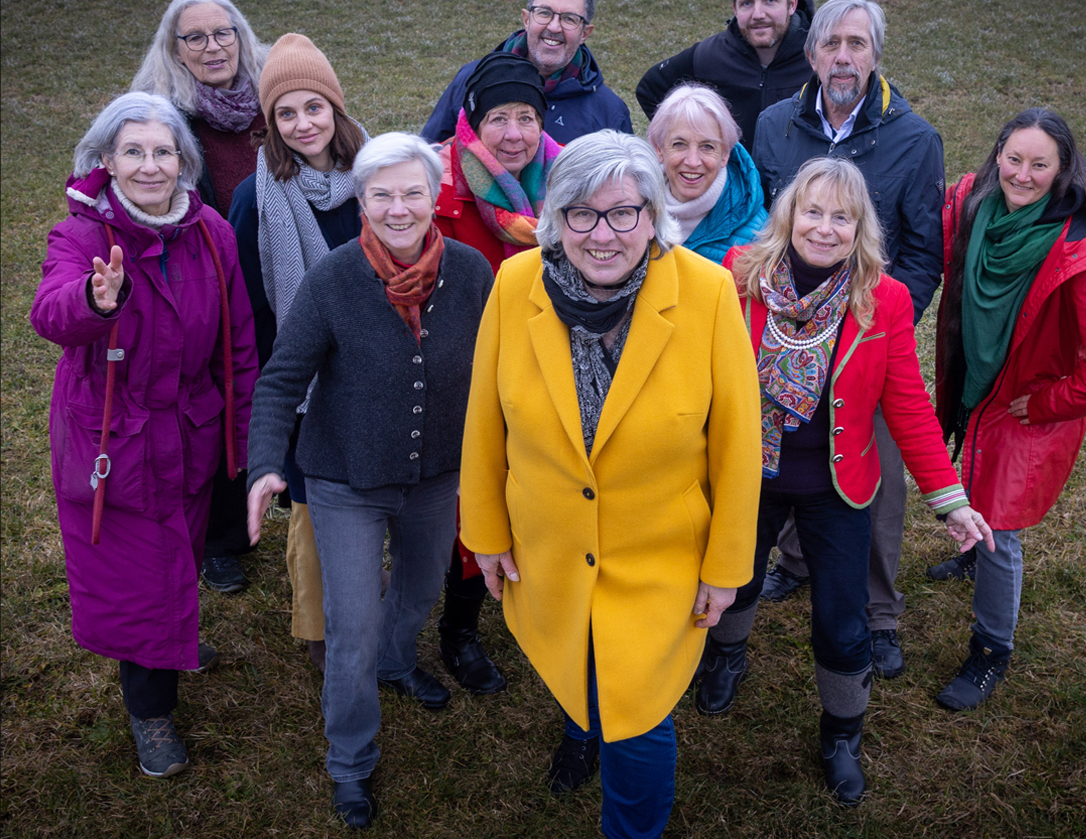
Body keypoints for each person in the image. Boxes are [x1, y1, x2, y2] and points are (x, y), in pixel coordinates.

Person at [460, 130, 762, 838]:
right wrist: (484, 534)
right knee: (582, 676)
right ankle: (581, 726)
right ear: (554, 219)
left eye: (624, 213)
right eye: (582, 215)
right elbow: (482, 423)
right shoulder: (514, 284)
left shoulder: (708, 293)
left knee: (637, 720)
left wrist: (725, 568)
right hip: (550, 548)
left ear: (653, 216)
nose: (604, 234)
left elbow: (737, 449)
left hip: (661, 560)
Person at [717, 156, 991, 804]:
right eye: (811, 211)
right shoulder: (737, 278)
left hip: (836, 485)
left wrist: (948, 500)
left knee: (841, 619)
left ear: (859, 226)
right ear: (787, 215)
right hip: (745, 474)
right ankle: (726, 656)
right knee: (736, 577)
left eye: (841, 217)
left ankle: (841, 731)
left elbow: (907, 406)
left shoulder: (882, 299)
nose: (823, 227)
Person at [246, 132, 494, 829]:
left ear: (434, 195)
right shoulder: (332, 279)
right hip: (345, 479)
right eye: (380, 193)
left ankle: (395, 662)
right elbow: (281, 380)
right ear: (362, 197)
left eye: (412, 192)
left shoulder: (473, 273)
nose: (397, 207)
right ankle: (350, 760)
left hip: (436, 474)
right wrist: (266, 465)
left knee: (417, 591)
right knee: (349, 625)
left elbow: (510, 369)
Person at [29, 92, 256, 779]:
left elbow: (237, 340)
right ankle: (150, 712)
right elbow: (50, 312)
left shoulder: (212, 230)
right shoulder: (81, 237)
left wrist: (242, 437)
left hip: (190, 432)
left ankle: (171, 629)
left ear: (183, 162)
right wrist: (97, 301)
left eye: (163, 152)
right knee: (136, 578)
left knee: (176, 557)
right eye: (134, 151)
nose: (150, 166)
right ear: (106, 159)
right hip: (114, 440)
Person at [751, 0, 946, 680]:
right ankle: (793, 562)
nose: (842, 56)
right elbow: (760, 223)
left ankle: (878, 613)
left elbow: (924, 250)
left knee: (872, 479)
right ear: (809, 54)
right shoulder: (775, 124)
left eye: (856, 44)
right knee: (780, 456)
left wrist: (878, 324)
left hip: (865, 333)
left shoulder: (912, 137)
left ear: (875, 54)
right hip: (783, 327)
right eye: (830, 42)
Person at [930, 109, 1086, 710]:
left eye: (1039, 164)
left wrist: (1049, 402)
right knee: (973, 477)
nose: (1022, 175)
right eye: (1014, 159)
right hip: (980, 377)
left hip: (1024, 403)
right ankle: (971, 556)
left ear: (1062, 170)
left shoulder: (1081, 250)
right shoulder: (974, 201)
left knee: (999, 521)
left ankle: (992, 648)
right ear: (997, 155)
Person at [228, 33, 366, 672]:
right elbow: (254, 307)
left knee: (370, 493)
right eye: (286, 113)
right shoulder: (256, 198)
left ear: (335, 109)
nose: (303, 123)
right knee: (312, 507)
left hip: (371, 369)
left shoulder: (372, 175)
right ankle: (317, 628)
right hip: (304, 379)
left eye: (314, 107)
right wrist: (279, 401)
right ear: (272, 125)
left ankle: (368, 596)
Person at [131, 0, 270, 595]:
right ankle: (219, 538)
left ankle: (259, 503)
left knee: (261, 393)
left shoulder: (273, 102)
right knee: (214, 404)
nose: (213, 47)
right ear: (176, 50)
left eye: (223, 33)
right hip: (202, 284)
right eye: (196, 38)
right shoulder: (164, 118)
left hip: (274, 275)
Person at [431, 51, 561, 695]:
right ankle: (458, 631)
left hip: (538, 368)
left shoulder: (566, 183)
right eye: (499, 119)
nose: (513, 134)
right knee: (467, 503)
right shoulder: (439, 187)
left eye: (527, 117)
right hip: (457, 373)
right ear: (472, 123)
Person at [422, 0, 632, 145]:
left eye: (569, 19)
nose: (554, 27)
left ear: (584, 33)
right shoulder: (471, 80)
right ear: (526, 19)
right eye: (544, 13)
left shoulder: (609, 111)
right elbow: (430, 158)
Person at [636, 0, 814, 154]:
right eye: (747, 3)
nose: (758, 14)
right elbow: (649, 89)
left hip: (796, 184)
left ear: (792, 3)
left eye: (769, 1)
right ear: (735, 9)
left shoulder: (817, 58)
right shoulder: (710, 56)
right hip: (730, 183)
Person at [646, 83, 766, 262]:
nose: (692, 162)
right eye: (679, 144)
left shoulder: (758, 236)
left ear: (725, 154)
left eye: (707, 147)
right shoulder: (635, 210)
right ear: (659, 149)